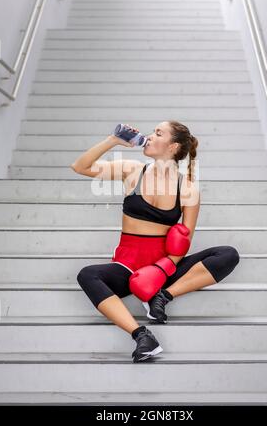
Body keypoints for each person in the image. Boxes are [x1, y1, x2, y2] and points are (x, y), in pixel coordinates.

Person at [71, 121, 240, 363]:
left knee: (227, 254)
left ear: (173, 146)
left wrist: (159, 272)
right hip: (128, 267)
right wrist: (113, 140)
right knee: (87, 275)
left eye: (157, 133)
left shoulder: (188, 188)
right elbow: (80, 167)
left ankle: (162, 297)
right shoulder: (132, 171)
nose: (149, 136)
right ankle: (142, 336)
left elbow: (184, 241)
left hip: (163, 268)